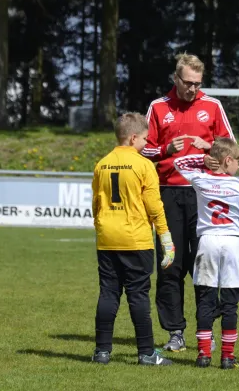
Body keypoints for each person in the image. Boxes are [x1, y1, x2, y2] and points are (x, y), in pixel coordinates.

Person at [142, 52, 235, 351]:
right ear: (176, 78)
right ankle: (175, 332)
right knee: (171, 265)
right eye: (187, 82)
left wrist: (212, 149)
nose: (192, 89)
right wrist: (166, 148)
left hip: (204, 195)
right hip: (168, 193)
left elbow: (232, 149)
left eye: (197, 83)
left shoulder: (213, 106)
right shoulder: (158, 108)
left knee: (204, 264)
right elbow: (142, 151)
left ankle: (204, 331)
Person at [91, 112, 176, 366]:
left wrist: (101, 227)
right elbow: (154, 205)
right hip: (136, 240)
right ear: (132, 137)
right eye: (145, 139)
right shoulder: (143, 165)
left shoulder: (102, 164)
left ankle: (102, 352)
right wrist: (166, 237)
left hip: (107, 238)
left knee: (108, 293)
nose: (147, 144)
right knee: (138, 295)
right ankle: (146, 353)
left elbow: (96, 203)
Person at [173, 138, 239, 370]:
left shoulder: (200, 180)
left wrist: (202, 156)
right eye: (237, 161)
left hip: (207, 242)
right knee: (230, 304)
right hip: (232, 243)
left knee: (205, 300)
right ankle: (228, 357)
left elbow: (179, 163)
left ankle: (203, 355)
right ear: (228, 160)